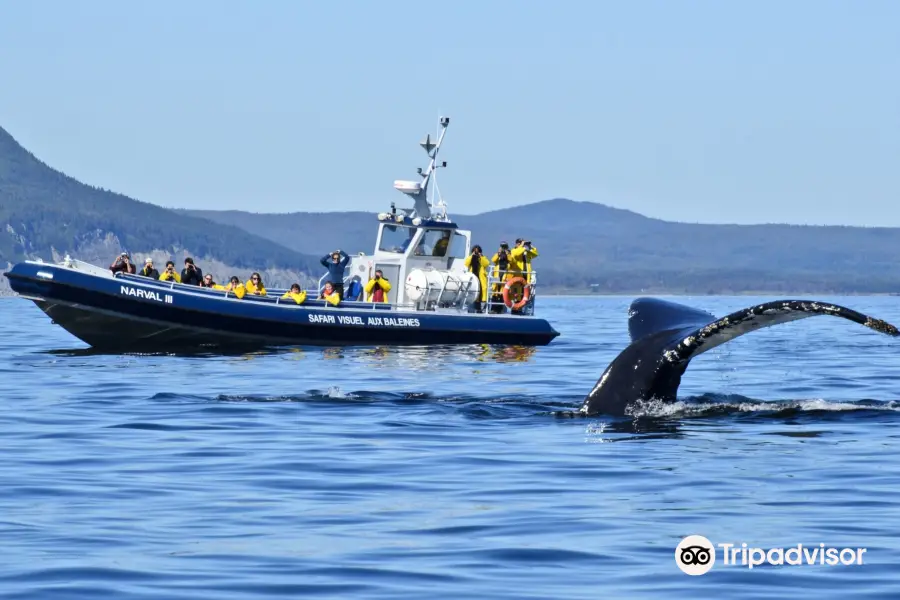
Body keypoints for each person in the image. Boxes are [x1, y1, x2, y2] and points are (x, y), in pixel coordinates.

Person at [465, 245, 490, 312]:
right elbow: (466, 263)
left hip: (481, 278)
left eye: (477, 251)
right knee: (473, 291)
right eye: (475, 251)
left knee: (482, 291)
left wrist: (481, 256)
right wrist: (472, 255)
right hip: (473, 277)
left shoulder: (482, 257)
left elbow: (486, 264)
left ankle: (481, 308)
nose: (476, 252)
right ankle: (473, 307)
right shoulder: (471, 257)